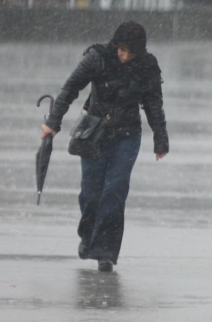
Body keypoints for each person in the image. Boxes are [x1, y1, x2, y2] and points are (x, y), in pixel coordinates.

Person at [40, 22, 169, 272]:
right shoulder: (97, 57)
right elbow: (71, 87)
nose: (124, 55)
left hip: (127, 135)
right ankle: (88, 235)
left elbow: (153, 103)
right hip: (93, 133)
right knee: (91, 193)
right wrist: (53, 122)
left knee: (115, 191)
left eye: (129, 51)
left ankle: (106, 251)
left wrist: (160, 139)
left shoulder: (147, 65)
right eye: (120, 49)